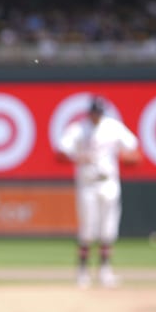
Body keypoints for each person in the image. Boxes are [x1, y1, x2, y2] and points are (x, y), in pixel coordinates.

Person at [56, 96, 141, 288]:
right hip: (88, 183)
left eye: (99, 113)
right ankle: (83, 271)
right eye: (94, 113)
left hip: (108, 181)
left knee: (108, 229)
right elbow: (60, 153)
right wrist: (79, 157)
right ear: (89, 113)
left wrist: (123, 157)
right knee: (87, 228)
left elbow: (134, 152)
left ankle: (105, 271)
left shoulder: (112, 127)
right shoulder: (79, 129)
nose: (97, 117)